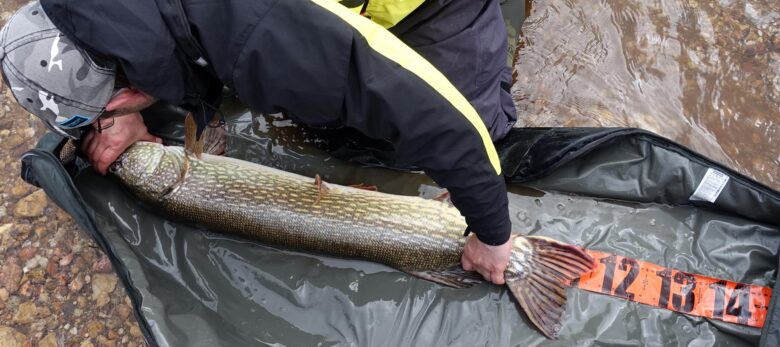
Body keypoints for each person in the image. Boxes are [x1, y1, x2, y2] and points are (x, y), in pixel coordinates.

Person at [0, 0, 518, 284]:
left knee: (458, 130)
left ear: (125, 95)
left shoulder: (265, 41)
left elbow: (438, 121)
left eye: (100, 117)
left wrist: (493, 236)